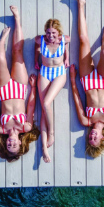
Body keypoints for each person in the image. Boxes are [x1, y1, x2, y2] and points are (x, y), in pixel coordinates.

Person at [69, 0, 104, 158]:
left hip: (86, 80)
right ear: (103, 137)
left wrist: (72, 79)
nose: (92, 136)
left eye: (89, 138)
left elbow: (77, 99)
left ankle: (80, 5)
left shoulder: (87, 121)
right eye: (95, 138)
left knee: (83, 40)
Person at [0, 6, 40, 162]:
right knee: (17, 52)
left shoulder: (0, 128)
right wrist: (34, 87)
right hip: (19, 88)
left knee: (0, 57)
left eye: (9, 146)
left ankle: (3, 37)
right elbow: (30, 105)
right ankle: (17, 18)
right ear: (20, 143)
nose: (11, 143)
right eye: (14, 146)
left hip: (3, 90)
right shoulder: (26, 127)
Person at [34, 19, 70, 163]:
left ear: (59, 32)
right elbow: (36, 47)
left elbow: (66, 47)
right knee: (44, 108)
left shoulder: (65, 39)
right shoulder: (40, 40)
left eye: (53, 33)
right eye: (48, 33)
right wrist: (36, 59)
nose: (50, 36)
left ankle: (52, 133)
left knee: (46, 103)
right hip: (44, 72)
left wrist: (67, 58)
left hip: (60, 73)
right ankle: (44, 148)